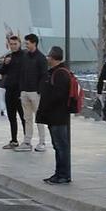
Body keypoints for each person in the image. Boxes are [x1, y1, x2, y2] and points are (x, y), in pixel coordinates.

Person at [38, 45, 74, 184]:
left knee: (61, 146)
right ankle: (59, 173)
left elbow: (58, 96)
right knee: (58, 145)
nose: (47, 58)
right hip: (55, 116)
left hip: (58, 116)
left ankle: (63, 175)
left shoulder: (60, 74)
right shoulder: (56, 72)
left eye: (49, 56)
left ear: (53, 58)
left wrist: (47, 105)